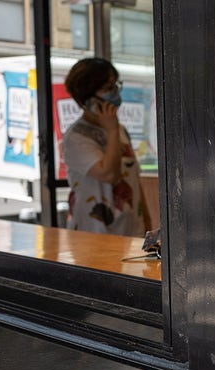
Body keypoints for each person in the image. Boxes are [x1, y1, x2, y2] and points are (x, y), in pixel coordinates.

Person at [63, 57, 151, 236]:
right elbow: (109, 174)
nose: (114, 93)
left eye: (115, 86)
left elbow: (133, 180)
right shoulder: (76, 137)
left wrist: (147, 223)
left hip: (131, 230)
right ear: (88, 99)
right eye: (107, 88)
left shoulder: (120, 130)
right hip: (95, 236)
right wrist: (111, 131)